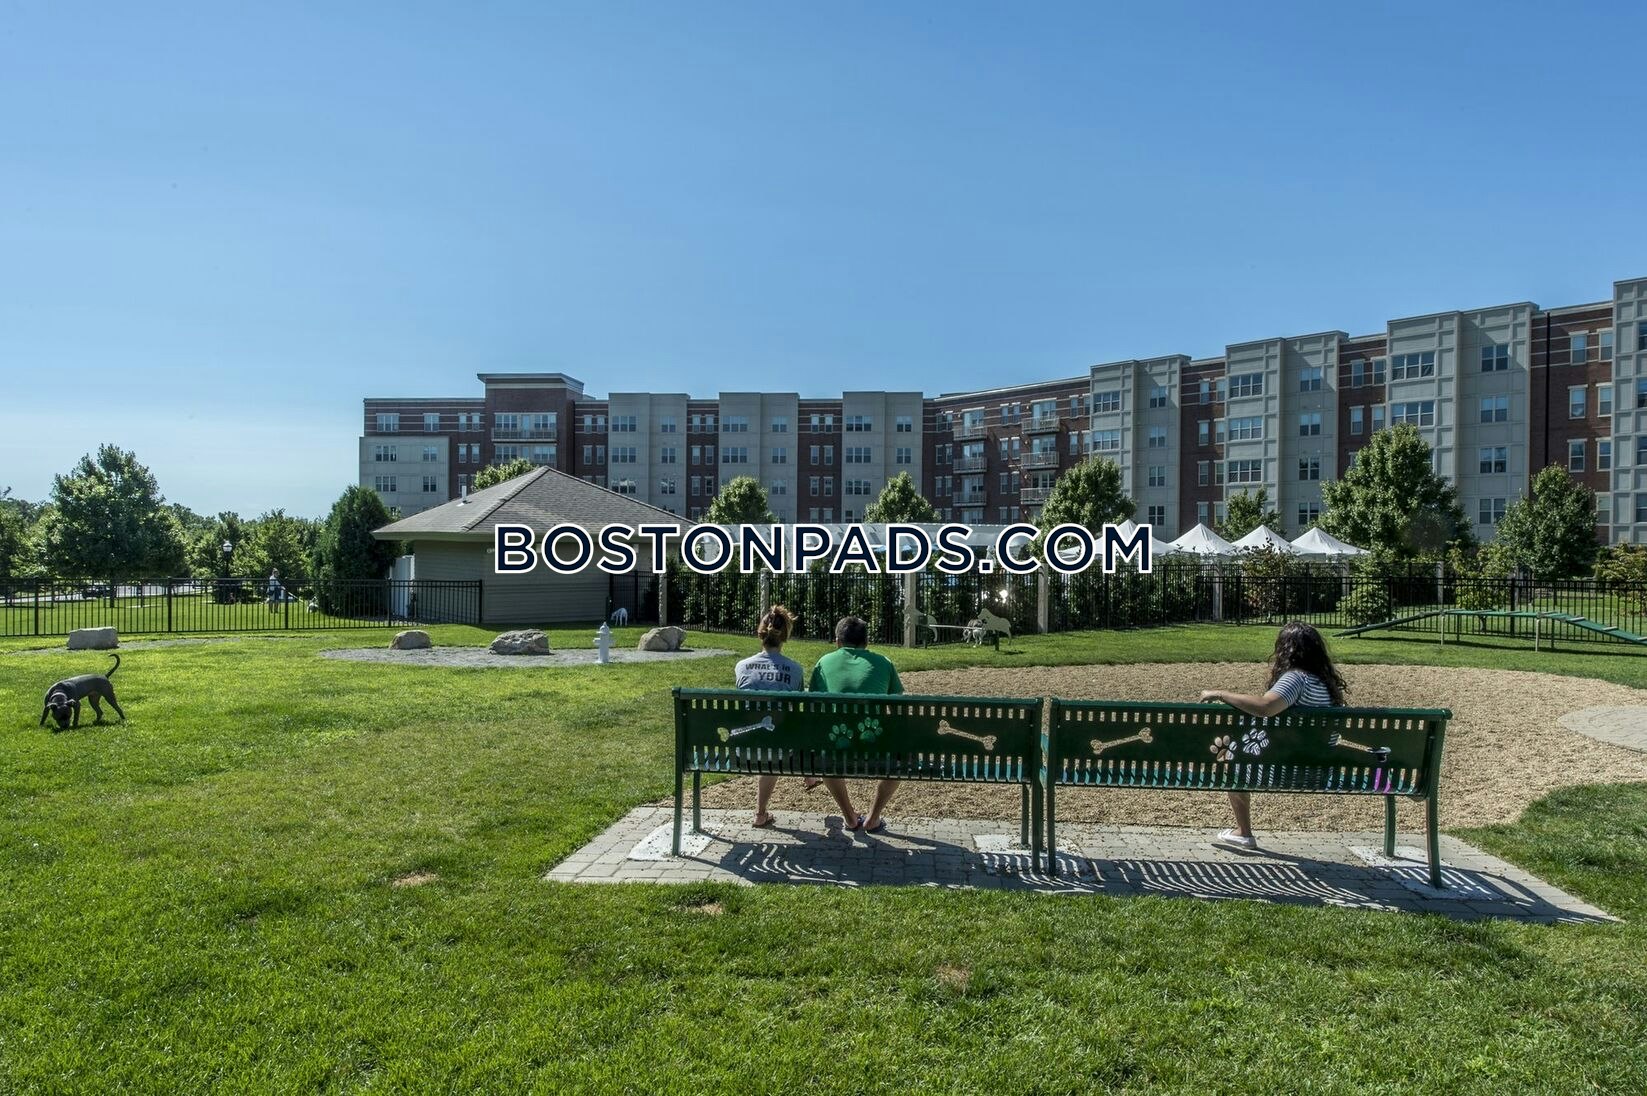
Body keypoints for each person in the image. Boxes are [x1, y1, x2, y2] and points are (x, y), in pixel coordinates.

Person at [1199, 621, 1347, 852]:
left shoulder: (1297, 678)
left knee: (1230, 758)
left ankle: (1243, 832)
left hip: (1285, 770)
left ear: (1285, 650)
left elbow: (1265, 707)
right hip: (1318, 771)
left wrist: (1220, 694)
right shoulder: (1325, 686)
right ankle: (1242, 832)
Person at [734, 605, 860, 830]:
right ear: (785, 636)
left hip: (745, 747)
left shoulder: (741, 667)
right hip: (781, 747)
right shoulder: (794, 670)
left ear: (760, 632)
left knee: (769, 738)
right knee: (789, 733)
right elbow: (798, 712)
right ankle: (809, 776)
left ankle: (761, 813)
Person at [810, 615, 903, 833]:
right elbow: (898, 708)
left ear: (837, 642)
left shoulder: (824, 663)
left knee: (827, 761)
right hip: (874, 748)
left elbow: (815, 706)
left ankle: (850, 817)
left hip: (835, 747)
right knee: (900, 765)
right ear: (866, 642)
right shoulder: (884, 663)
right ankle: (873, 818)